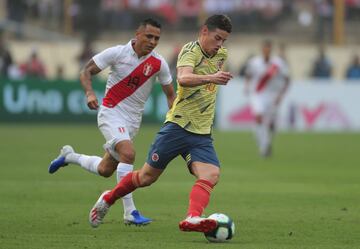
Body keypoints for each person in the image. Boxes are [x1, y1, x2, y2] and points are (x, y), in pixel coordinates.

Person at [88, 14, 233, 233]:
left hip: (201, 132)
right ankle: (109, 197)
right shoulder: (190, 51)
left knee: (211, 175)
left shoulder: (221, 54)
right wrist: (212, 78)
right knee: (146, 177)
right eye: (217, 38)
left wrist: (214, 76)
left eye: (224, 40)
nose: (220, 44)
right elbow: (183, 78)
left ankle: (193, 218)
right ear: (204, 31)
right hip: (177, 127)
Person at [48, 18, 175, 226]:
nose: (152, 41)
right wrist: (89, 93)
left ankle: (69, 156)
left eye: (157, 38)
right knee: (129, 153)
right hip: (111, 112)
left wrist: (174, 114)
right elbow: (86, 70)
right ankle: (129, 212)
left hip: (133, 121)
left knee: (106, 169)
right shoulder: (117, 53)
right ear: (137, 34)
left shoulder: (159, 63)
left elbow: (170, 95)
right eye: (149, 36)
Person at [245, 40, 290, 157]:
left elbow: (287, 79)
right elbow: (248, 75)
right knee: (259, 117)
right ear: (262, 49)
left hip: (272, 95)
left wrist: (280, 95)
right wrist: (246, 87)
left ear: (271, 49)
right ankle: (264, 147)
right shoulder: (254, 62)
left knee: (271, 124)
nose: (266, 51)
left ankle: (267, 142)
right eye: (265, 48)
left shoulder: (278, 63)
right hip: (258, 94)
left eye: (268, 49)